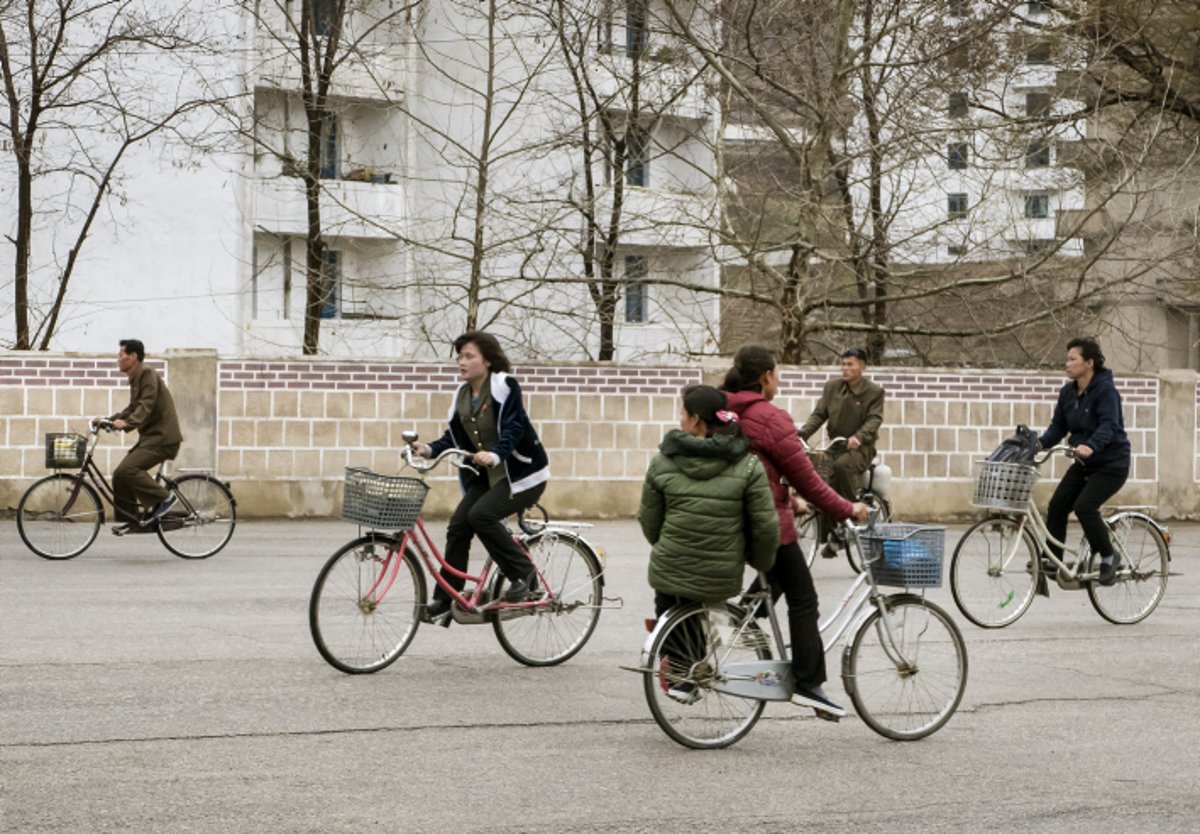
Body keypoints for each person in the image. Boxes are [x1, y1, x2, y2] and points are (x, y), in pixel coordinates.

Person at [722, 345, 869, 719]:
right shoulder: (771, 418)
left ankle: (732, 627)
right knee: (804, 598)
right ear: (766, 377)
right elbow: (808, 479)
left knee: (772, 586)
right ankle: (807, 682)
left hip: (733, 515)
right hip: (764, 522)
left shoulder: (723, 409)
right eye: (777, 373)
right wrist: (846, 507)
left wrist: (790, 500)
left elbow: (762, 470)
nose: (779, 380)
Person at [638, 384, 779, 703]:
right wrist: (759, 561)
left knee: (671, 605)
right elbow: (764, 524)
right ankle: (689, 671)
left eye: (683, 413)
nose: (680, 419)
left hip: (670, 566)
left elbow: (649, 520)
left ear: (697, 420)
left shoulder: (663, 461)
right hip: (721, 572)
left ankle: (678, 673)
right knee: (704, 607)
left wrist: (666, 545)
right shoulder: (747, 464)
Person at [415, 332, 550, 622]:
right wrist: (427, 449)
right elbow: (452, 437)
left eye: (468, 356)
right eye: (459, 356)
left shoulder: (504, 386)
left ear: (487, 360)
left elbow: (514, 427)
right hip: (488, 478)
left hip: (523, 476)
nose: (461, 361)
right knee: (458, 527)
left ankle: (524, 575)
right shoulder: (462, 396)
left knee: (482, 516)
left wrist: (496, 454)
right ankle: (446, 597)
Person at [1037, 337, 1131, 586]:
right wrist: (1039, 444)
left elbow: (1109, 425)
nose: (1066, 363)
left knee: (1085, 507)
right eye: (1066, 359)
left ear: (1089, 363)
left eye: (1072, 359)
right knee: (1057, 506)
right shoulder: (1068, 392)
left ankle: (1110, 555)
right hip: (1083, 462)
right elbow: (1058, 426)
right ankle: (1052, 560)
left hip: (1111, 464)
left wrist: (1091, 445)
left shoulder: (1105, 390)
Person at [98, 339, 183, 535]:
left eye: (121, 355)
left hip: (163, 439)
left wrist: (127, 423)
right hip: (151, 439)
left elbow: (147, 404)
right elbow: (132, 408)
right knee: (120, 474)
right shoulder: (137, 377)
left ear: (133, 356)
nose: (118, 360)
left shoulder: (146, 373)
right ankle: (132, 520)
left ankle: (165, 498)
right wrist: (109, 420)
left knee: (129, 469)